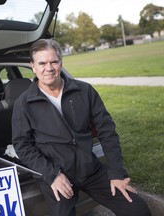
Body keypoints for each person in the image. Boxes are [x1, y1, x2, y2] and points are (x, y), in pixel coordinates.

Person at [11, 39, 151, 216]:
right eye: (42, 63)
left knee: (137, 209)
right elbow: (23, 145)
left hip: (90, 169)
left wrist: (116, 173)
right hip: (57, 174)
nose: (49, 68)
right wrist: (51, 175)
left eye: (54, 62)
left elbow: (107, 132)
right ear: (33, 66)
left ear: (61, 62)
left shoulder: (84, 91)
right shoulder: (23, 104)